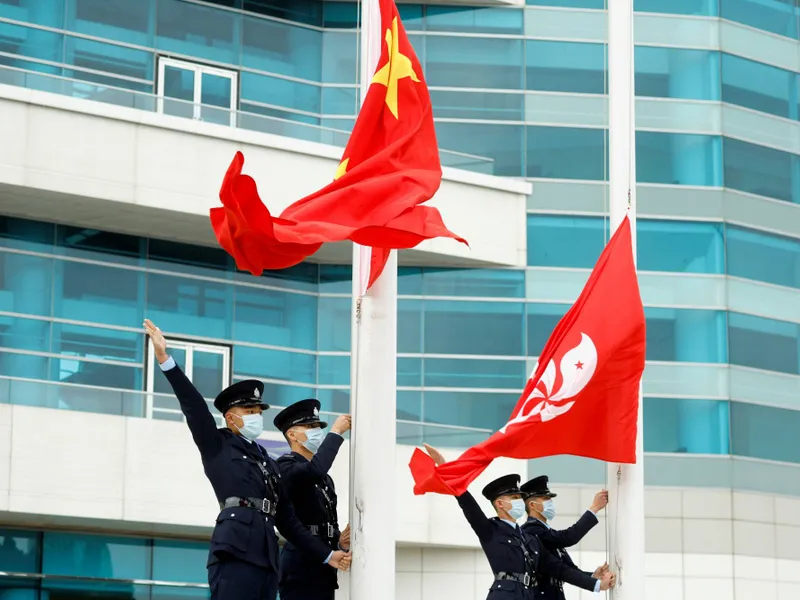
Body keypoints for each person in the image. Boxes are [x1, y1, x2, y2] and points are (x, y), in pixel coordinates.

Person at [144, 320, 350, 600]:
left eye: (258, 410)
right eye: (249, 409)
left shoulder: (266, 461)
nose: (256, 415)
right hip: (234, 551)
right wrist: (165, 360)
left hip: (267, 558)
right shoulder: (217, 445)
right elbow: (194, 407)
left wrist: (328, 555)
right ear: (230, 417)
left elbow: (288, 521)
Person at [422, 444, 614, 600]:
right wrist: (445, 467)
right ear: (500, 503)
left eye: (519, 496)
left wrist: (595, 584)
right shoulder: (490, 530)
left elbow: (560, 569)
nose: (518, 501)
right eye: (514, 496)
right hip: (504, 595)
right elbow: (468, 505)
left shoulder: (530, 539)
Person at [273, 399, 351, 600]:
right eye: (310, 426)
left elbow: (324, 521)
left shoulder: (325, 479)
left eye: (318, 426)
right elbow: (314, 470)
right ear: (292, 434)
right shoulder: (285, 467)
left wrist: (339, 542)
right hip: (300, 567)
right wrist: (335, 433)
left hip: (323, 569)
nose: (317, 430)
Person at [521, 476, 609, 600]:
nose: (550, 502)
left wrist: (594, 575)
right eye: (545, 498)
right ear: (532, 505)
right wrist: (594, 508)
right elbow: (568, 538)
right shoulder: (531, 530)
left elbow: (569, 569)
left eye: (550, 499)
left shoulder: (546, 532)